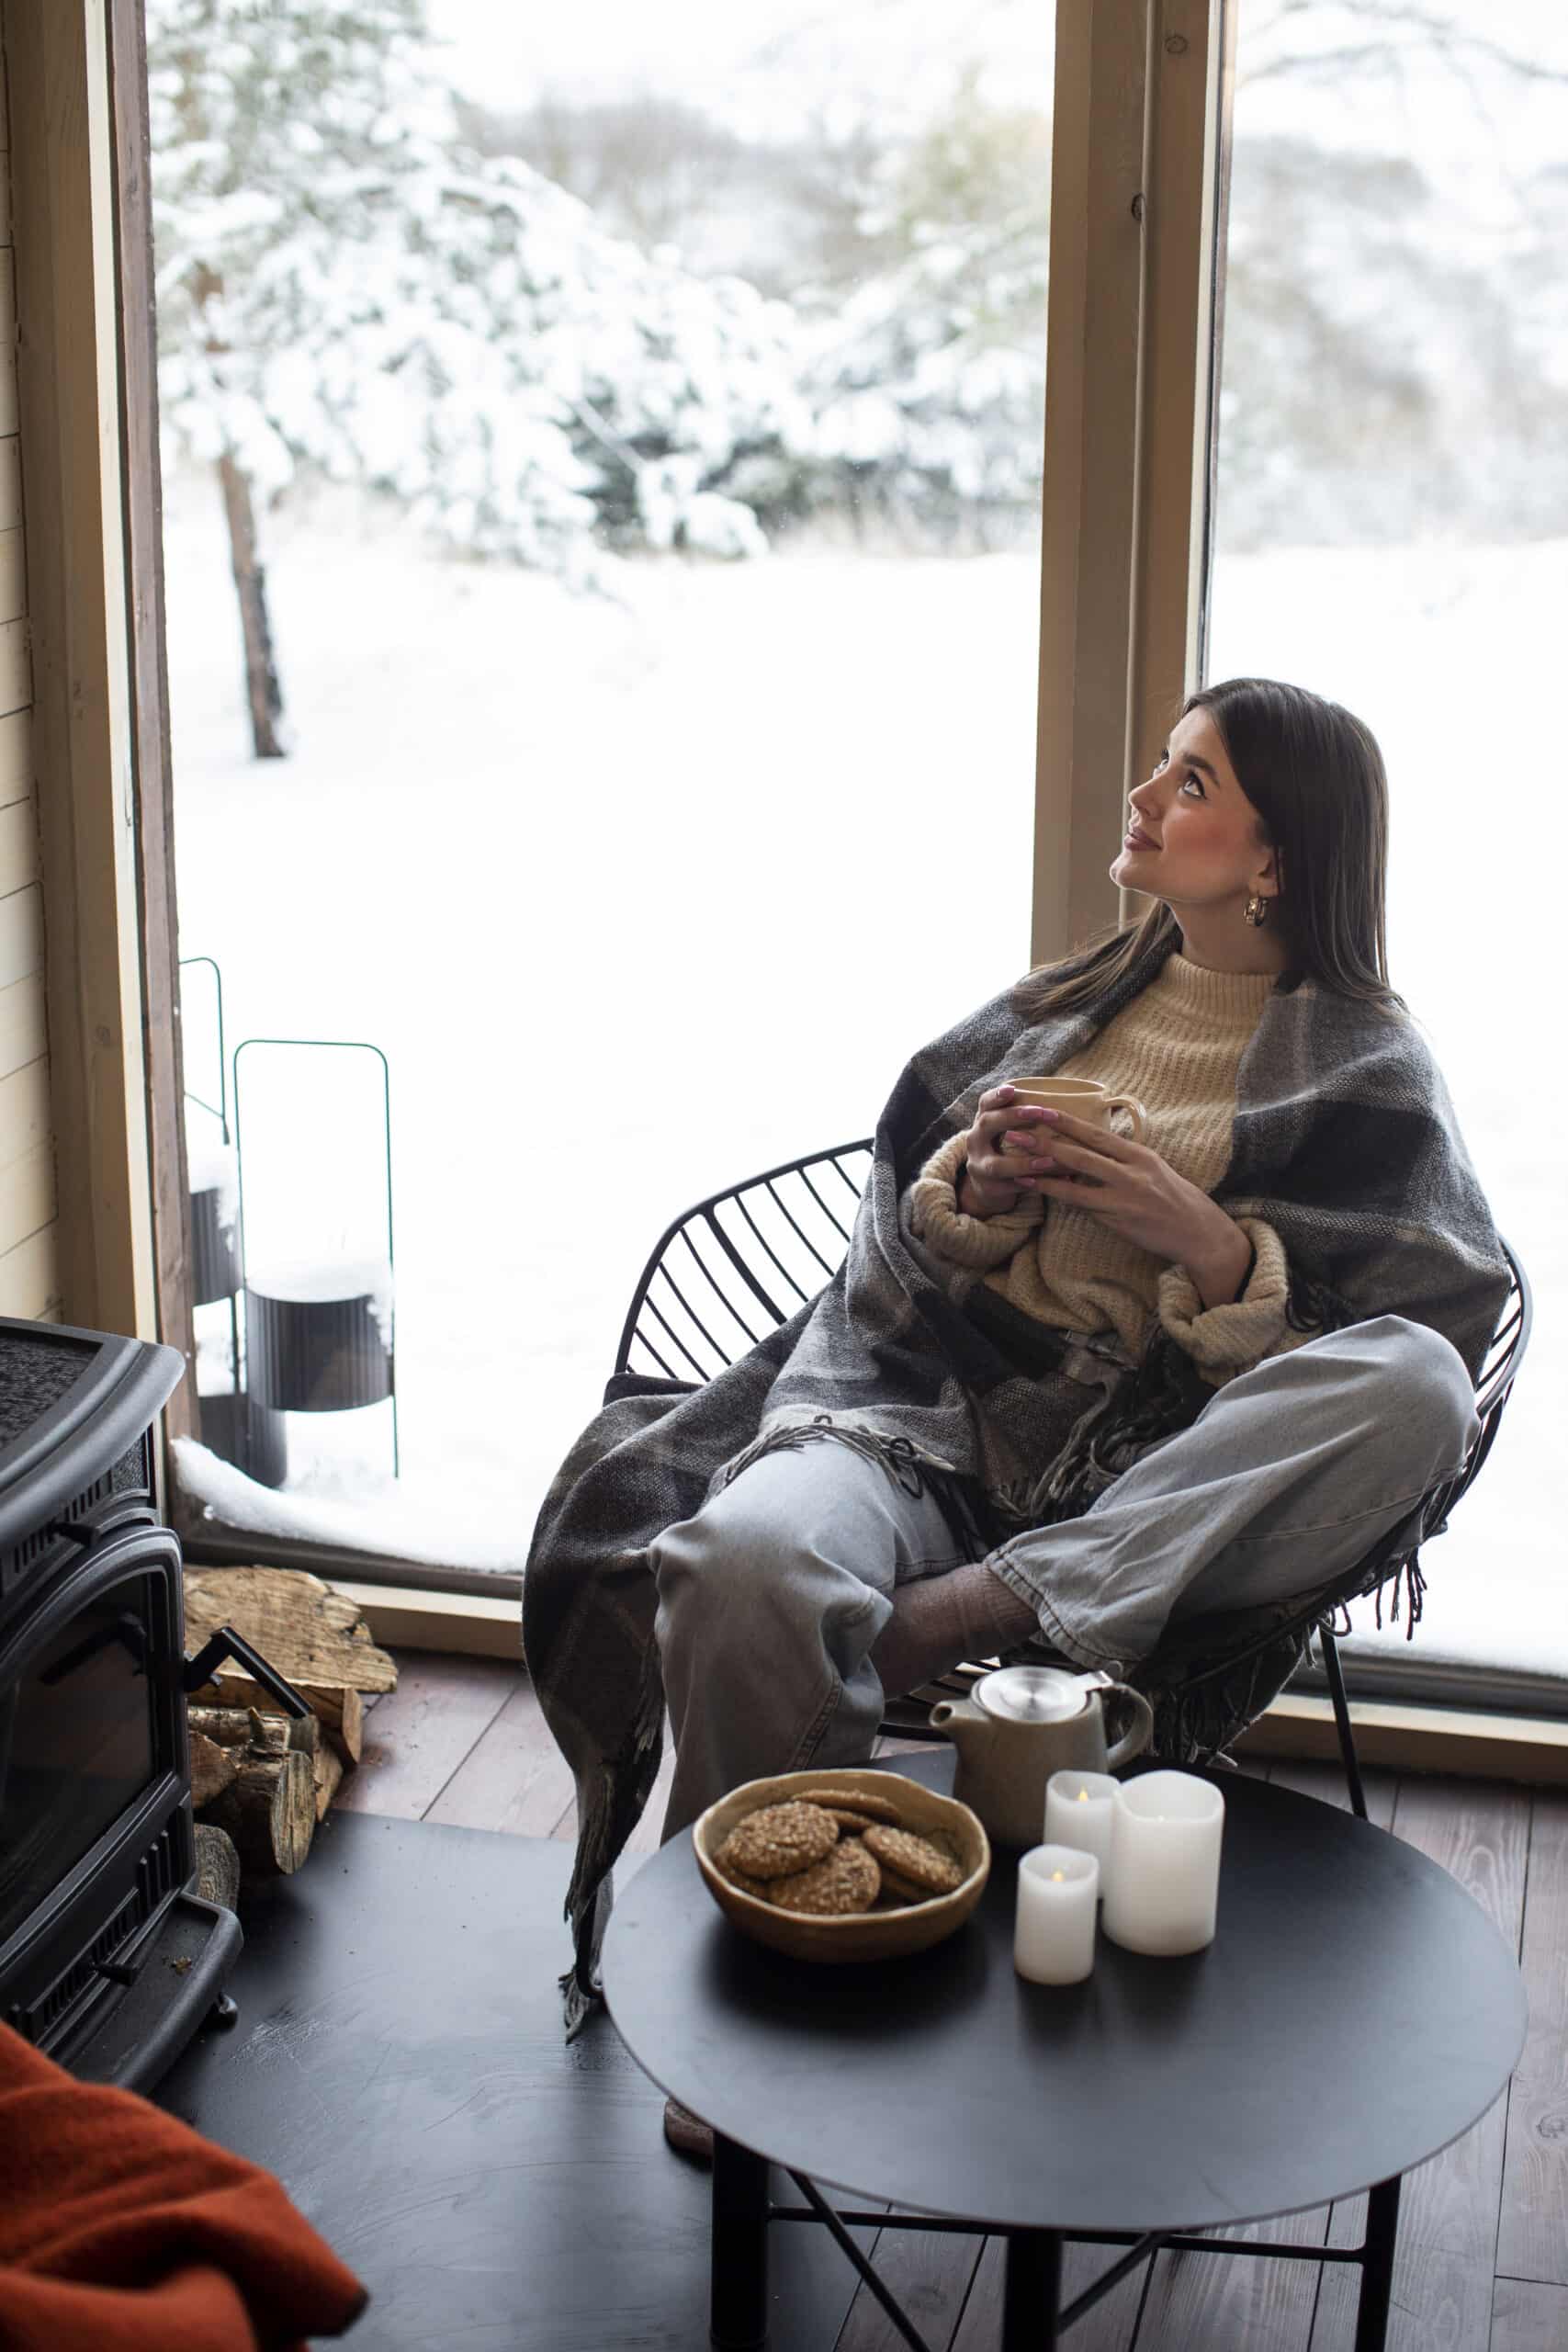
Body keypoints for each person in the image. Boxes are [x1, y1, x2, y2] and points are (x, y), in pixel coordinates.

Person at [524, 675, 1508, 2055]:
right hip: (929, 1412)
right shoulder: (1067, 1004)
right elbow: (902, 1234)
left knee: (1412, 1382)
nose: (1145, 798)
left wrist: (1208, 1250)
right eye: (1161, 765)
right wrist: (979, 1189)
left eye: (1193, 782)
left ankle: (979, 1605)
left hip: (1165, 1480)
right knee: (744, 1560)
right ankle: (732, 1981)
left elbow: (1428, 1325)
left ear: (1278, 855)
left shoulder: (1370, 1067)